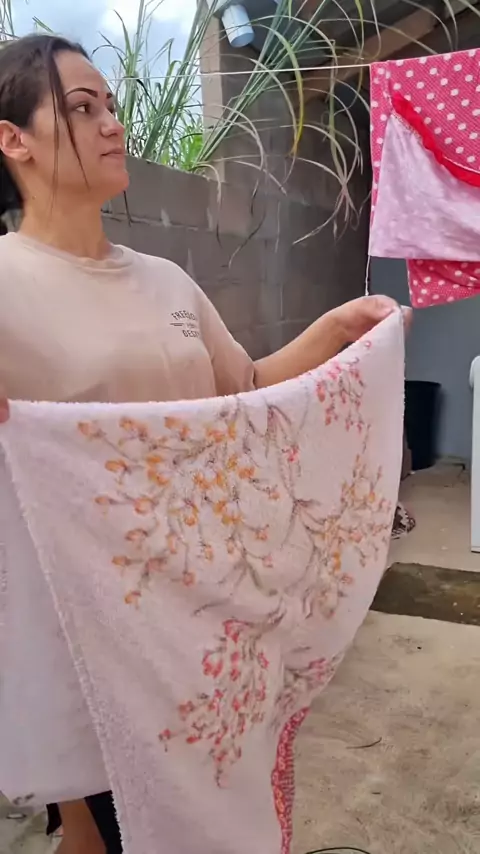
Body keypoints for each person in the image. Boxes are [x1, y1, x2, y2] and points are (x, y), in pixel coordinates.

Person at [0, 34, 410, 854]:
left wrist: (336, 331)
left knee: (191, 814)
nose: (111, 123)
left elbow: (245, 389)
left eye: (111, 105)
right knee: (120, 824)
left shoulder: (165, 280)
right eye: (81, 108)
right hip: (89, 632)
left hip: (207, 613)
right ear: (15, 140)